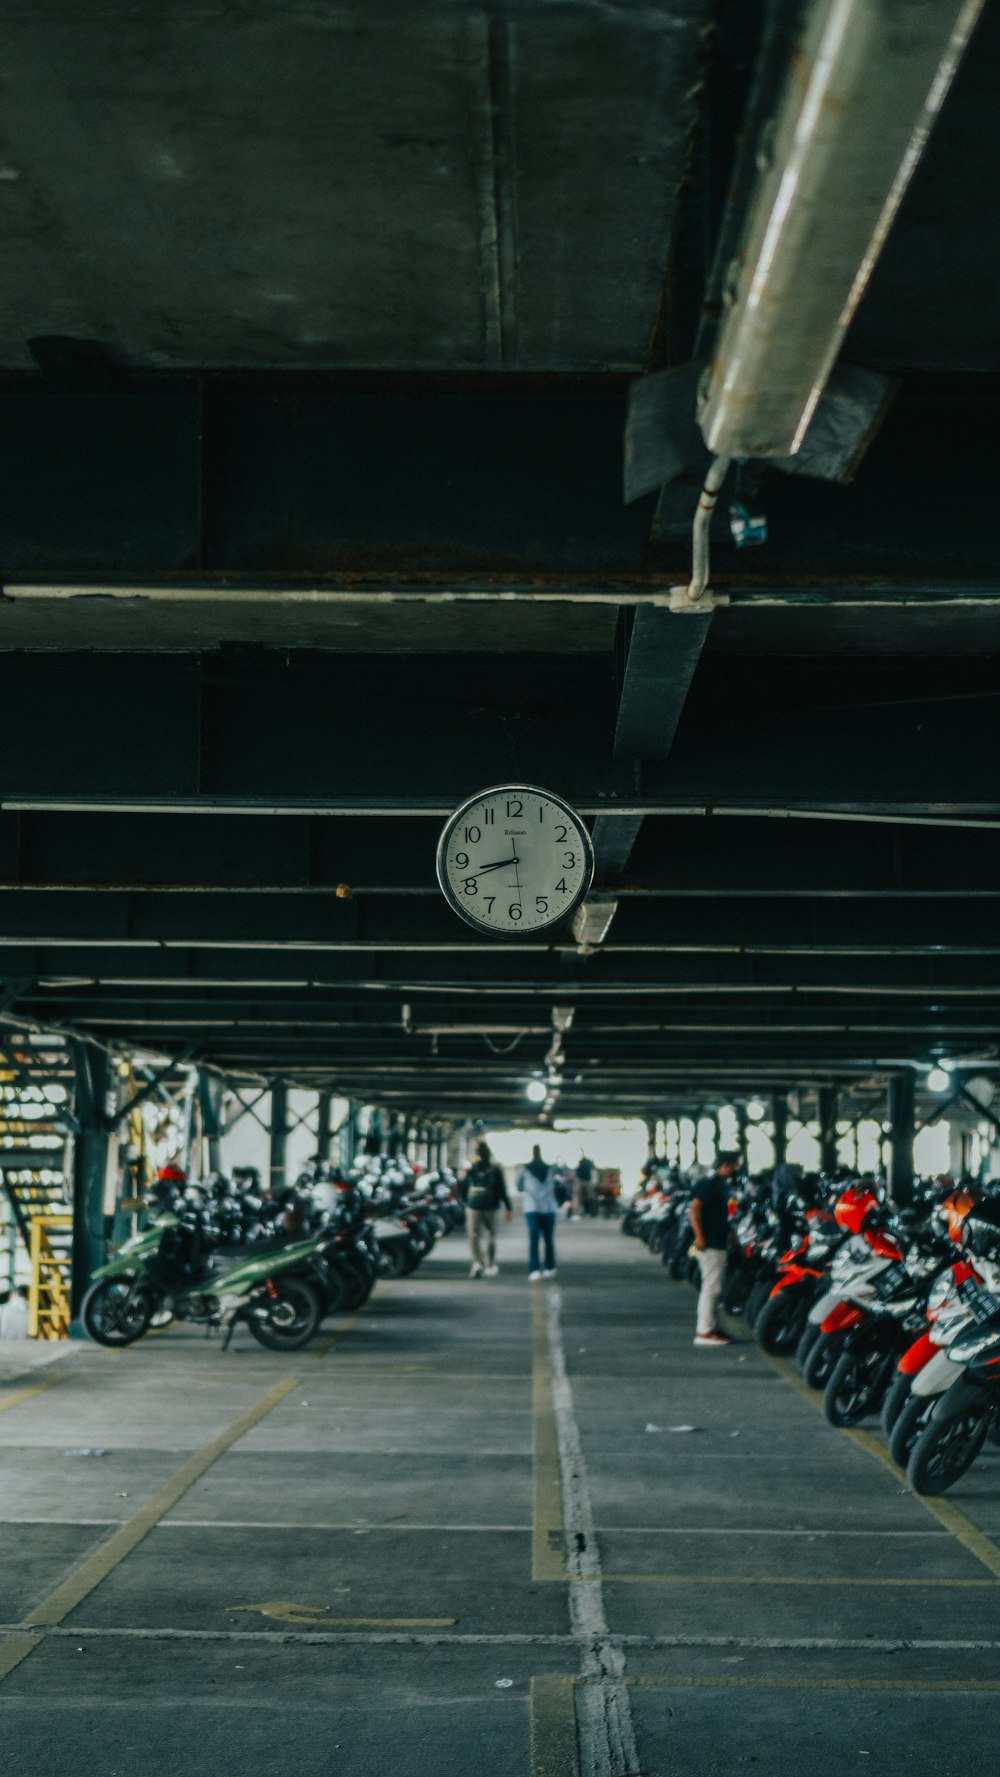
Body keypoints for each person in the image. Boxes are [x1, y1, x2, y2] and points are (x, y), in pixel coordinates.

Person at [688, 1151, 739, 1347]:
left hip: (717, 1240)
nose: (736, 1169)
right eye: (734, 1165)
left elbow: (720, 1214)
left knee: (714, 1287)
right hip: (710, 1244)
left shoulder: (719, 1185)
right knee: (712, 1287)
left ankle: (712, 1326)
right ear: (725, 1165)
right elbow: (694, 1208)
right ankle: (705, 1331)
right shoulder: (710, 1185)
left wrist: (730, 1233)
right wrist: (700, 1236)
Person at [462, 1140, 512, 1277]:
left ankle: (477, 1262)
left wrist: (465, 1203)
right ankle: (489, 1264)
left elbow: (463, 1187)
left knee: (473, 1235)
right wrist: (508, 1208)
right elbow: (502, 1190)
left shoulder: (471, 1169)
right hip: (491, 1206)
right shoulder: (495, 1170)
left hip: (473, 1206)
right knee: (490, 1234)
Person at [515, 1145, 559, 1279]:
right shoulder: (550, 1168)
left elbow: (518, 1185)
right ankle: (549, 1267)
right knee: (548, 1239)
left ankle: (534, 1269)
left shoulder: (524, 1168)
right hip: (549, 1208)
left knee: (533, 1239)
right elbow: (556, 1185)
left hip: (532, 1208)